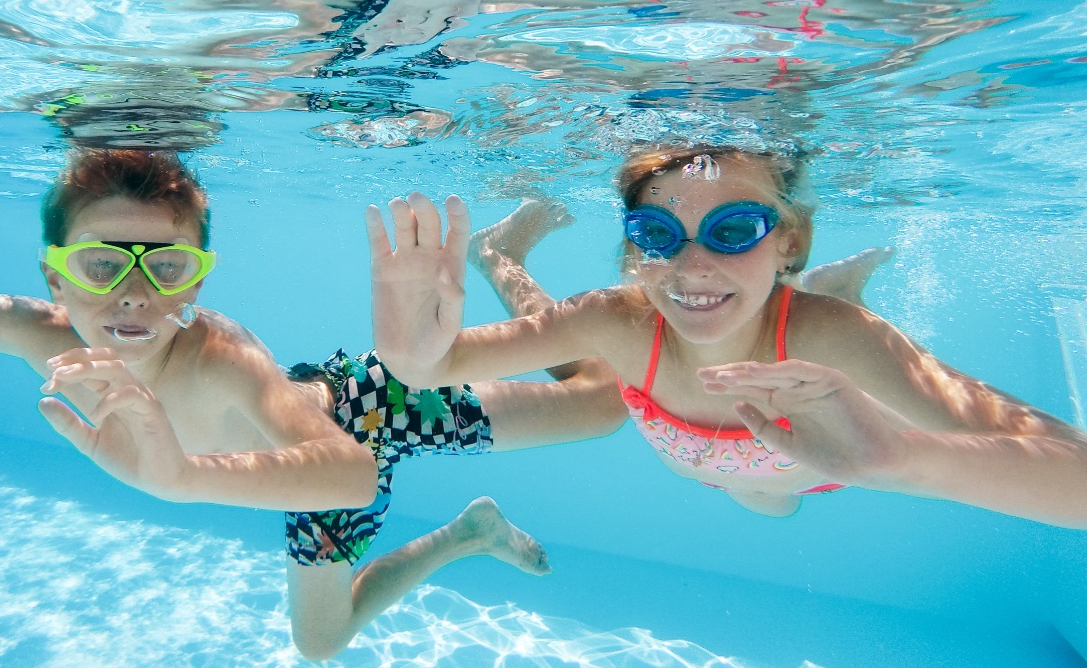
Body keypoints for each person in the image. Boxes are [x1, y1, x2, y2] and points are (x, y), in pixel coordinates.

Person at [0, 148, 546, 660]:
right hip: (299, 472)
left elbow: (348, 476)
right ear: (55, 275)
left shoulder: (221, 355)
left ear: (197, 277)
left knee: (599, 400)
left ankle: (500, 255)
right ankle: (468, 532)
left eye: (163, 268)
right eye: (100, 265)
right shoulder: (38, 331)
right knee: (321, 643)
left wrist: (179, 476)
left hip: (367, 411)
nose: (132, 296)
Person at [367, 144, 1087, 525]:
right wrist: (409, 354)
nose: (691, 263)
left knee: (775, 487)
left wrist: (901, 459)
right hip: (726, 457)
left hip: (814, 441)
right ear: (631, 247)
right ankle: (503, 257)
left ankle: (828, 294)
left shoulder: (835, 343)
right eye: (657, 233)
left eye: (734, 229)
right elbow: (436, 366)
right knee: (761, 499)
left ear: (788, 240)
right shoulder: (617, 317)